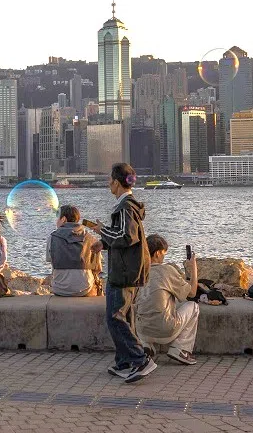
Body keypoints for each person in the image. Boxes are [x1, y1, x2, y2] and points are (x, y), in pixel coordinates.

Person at [86, 162, 155, 384]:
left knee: (115, 317)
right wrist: (103, 243)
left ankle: (140, 359)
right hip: (130, 268)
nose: (108, 184)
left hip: (124, 272)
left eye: (109, 181)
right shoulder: (129, 206)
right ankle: (125, 362)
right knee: (124, 315)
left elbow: (127, 237)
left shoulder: (125, 207)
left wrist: (101, 230)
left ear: (117, 182)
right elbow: (126, 237)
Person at [134, 234, 199, 366]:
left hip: (142, 330)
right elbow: (192, 293)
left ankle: (146, 346)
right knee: (193, 306)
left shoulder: (139, 272)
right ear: (157, 253)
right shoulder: (167, 270)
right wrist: (193, 269)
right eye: (163, 253)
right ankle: (180, 349)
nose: (164, 257)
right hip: (165, 331)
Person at [45, 204, 103, 297]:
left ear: (63, 219)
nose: (56, 221)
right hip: (85, 288)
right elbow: (98, 268)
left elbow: (50, 260)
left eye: (57, 218)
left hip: (59, 288)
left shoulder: (52, 238)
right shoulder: (91, 238)